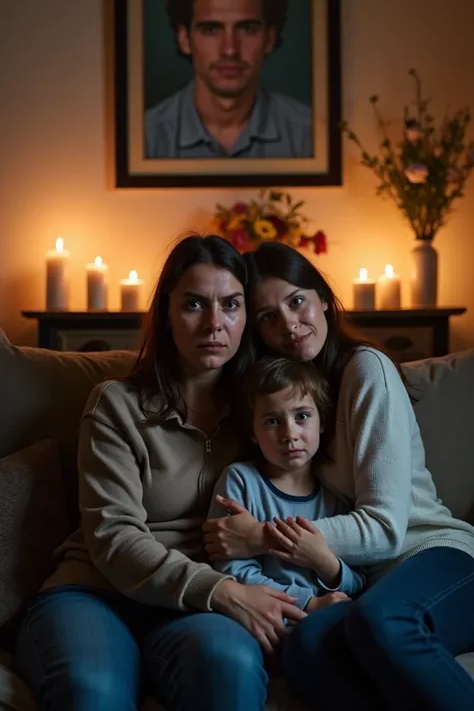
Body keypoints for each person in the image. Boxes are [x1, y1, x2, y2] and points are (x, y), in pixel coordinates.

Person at [14, 234, 307, 711]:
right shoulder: (116, 405)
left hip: (194, 612)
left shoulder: (268, 414)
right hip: (96, 592)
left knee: (228, 666)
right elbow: (114, 538)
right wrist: (224, 591)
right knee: (93, 690)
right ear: (167, 315)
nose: (214, 323)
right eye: (194, 304)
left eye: (231, 305)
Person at [203, 240, 474, 711]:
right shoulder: (296, 400)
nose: (289, 324)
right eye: (268, 316)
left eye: (297, 301)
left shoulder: (366, 370)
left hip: (437, 556)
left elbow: (388, 530)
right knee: (307, 650)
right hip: (367, 581)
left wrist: (263, 537)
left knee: (382, 622)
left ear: (324, 297)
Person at [209, 355, 366, 614]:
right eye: (272, 422)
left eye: (302, 416)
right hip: (261, 616)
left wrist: (327, 564)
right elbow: (231, 570)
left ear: (323, 422)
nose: (289, 434)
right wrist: (308, 603)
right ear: (252, 432)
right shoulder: (240, 481)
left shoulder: (336, 497)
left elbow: (359, 578)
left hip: (328, 616)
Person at [145, 0, 312, 160]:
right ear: (184, 39)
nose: (230, 50)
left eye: (247, 29)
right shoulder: (146, 138)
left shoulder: (310, 136)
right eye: (211, 30)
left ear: (270, 38)